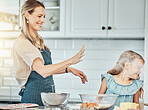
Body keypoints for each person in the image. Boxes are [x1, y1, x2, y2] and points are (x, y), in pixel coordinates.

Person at [13, 0, 88, 106]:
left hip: (47, 95)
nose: (43, 20)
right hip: (33, 97)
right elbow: (43, 71)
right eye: (39, 16)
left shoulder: (38, 40)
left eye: (44, 16)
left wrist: (68, 69)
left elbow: (46, 68)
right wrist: (70, 61)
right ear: (27, 15)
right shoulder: (22, 43)